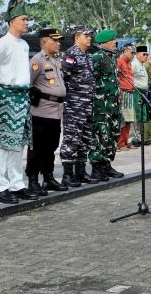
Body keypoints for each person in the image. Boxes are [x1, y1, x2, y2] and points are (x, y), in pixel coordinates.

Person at [0, 0, 38, 204]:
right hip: (8, 96)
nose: (26, 22)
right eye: (23, 19)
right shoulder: (2, 43)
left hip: (23, 98)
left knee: (18, 144)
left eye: (27, 19)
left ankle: (17, 184)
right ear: (11, 22)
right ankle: (1, 187)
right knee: (2, 145)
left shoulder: (24, 44)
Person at [26, 27, 69, 197]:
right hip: (40, 112)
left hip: (56, 112)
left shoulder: (57, 61)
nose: (59, 43)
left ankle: (48, 177)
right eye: (55, 41)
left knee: (51, 146)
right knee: (37, 147)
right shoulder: (37, 61)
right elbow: (27, 83)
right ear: (44, 42)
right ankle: (33, 180)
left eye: (59, 41)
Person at [59, 26, 97, 187]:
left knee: (85, 140)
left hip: (88, 105)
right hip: (74, 106)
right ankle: (68, 175)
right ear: (76, 37)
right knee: (71, 140)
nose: (89, 39)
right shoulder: (70, 55)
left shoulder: (88, 56)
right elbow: (63, 79)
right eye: (86, 36)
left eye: (90, 36)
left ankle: (80, 173)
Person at [90, 29, 125, 182]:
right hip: (101, 105)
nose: (115, 42)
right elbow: (92, 80)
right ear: (104, 42)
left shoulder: (111, 57)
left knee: (113, 134)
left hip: (113, 105)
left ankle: (106, 164)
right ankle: (97, 168)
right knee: (101, 134)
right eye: (112, 40)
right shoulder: (97, 57)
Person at [116, 44, 137, 150]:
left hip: (130, 93)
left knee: (129, 119)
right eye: (131, 52)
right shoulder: (119, 61)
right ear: (125, 51)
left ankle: (126, 141)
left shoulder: (130, 63)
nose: (133, 55)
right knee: (123, 119)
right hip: (123, 92)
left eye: (134, 53)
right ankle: (120, 143)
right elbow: (115, 77)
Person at [132, 46, 151, 144]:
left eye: (147, 54)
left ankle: (142, 137)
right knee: (137, 114)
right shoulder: (134, 64)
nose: (146, 56)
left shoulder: (142, 65)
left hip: (143, 92)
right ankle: (137, 138)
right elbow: (130, 77)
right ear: (137, 54)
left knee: (143, 115)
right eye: (143, 54)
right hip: (137, 92)